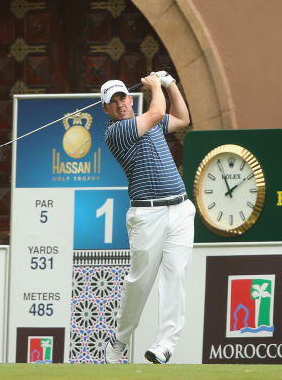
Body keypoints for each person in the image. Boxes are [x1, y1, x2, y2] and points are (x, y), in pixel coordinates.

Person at [100, 71, 194, 365]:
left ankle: (165, 344)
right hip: (146, 214)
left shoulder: (148, 121)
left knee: (175, 275)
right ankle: (120, 340)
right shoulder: (116, 133)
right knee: (139, 281)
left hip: (179, 208)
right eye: (112, 102)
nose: (120, 104)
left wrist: (171, 85)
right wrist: (156, 86)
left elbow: (182, 119)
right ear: (106, 109)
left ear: (130, 98)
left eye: (122, 98)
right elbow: (158, 111)